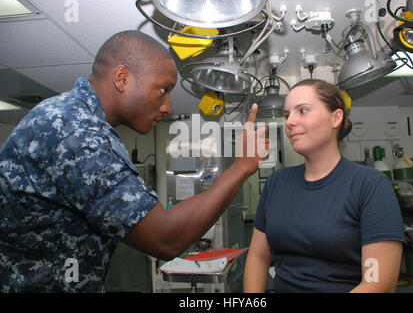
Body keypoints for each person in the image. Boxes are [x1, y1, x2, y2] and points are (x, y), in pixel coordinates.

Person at [0, 30, 269, 292]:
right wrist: (242, 166)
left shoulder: (76, 120)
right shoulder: (76, 132)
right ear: (122, 78)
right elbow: (166, 239)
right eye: (163, 90)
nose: (168, 107)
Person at [243, 79, 405, 293]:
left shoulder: (370, 186)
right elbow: (257, 257)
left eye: (302, 110)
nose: (290, 122)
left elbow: (377, 282)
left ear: (336, 117)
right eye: (287, 115)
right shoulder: (277, 183)